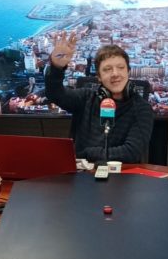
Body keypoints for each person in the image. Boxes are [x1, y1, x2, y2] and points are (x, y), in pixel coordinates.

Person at [44, 31, 153, 163]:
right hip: (83, 176)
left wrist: (85, 153)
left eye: (120, 68)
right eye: (107, 69)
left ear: (128, 72)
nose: (115, 74)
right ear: (99, 77)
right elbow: (55, 94)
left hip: (122, 178)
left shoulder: (141, 108)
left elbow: (130, 153)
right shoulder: (86, 98)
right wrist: (56, 67)